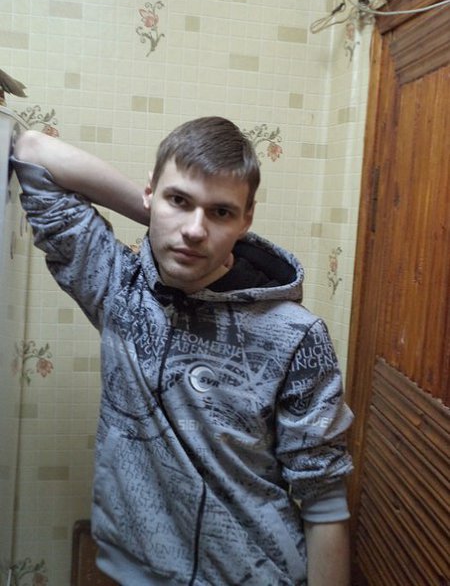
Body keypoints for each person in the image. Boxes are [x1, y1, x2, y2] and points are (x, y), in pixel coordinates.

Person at [12, 116, 353, 586]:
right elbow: (32, 150)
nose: (194, 229)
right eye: (179, 200)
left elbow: (324, 500)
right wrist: (158, 215)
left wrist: (171, 215)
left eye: (221, 212)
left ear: (246, 220)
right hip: (135, 571)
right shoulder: (117, 287)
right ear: (150, 194)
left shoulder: (297, 334)